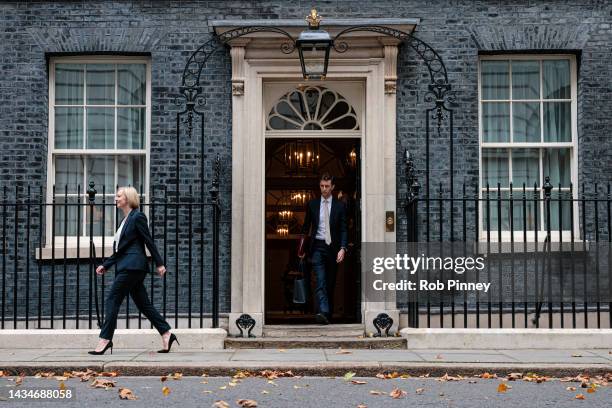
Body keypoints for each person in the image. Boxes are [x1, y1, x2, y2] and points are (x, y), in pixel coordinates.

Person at [89, 186, 178, 355]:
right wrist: (106, 265)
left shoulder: (138, 217)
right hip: (129, 266)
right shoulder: (125, 220)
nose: (115, 199)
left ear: (128, 199)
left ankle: (105, 339)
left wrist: (159, 263)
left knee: (112, 299)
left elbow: (148, 241)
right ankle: (166, 333)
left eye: (119, 196)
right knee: (143, 304)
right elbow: (121, 250)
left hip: (132, 266)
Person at [299, 173, 348, 325]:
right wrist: (302, 248)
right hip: (318, 246)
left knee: (330, 282)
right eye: (322, 186)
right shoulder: (312, 205)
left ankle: (328, 313)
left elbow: (343, 229)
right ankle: (323, 312)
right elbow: (306, 227)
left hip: (333, 248)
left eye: (327, 186)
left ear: (332, 187)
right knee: (320, 280)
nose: (324, 189)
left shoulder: (340, 206)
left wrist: (343, 248)